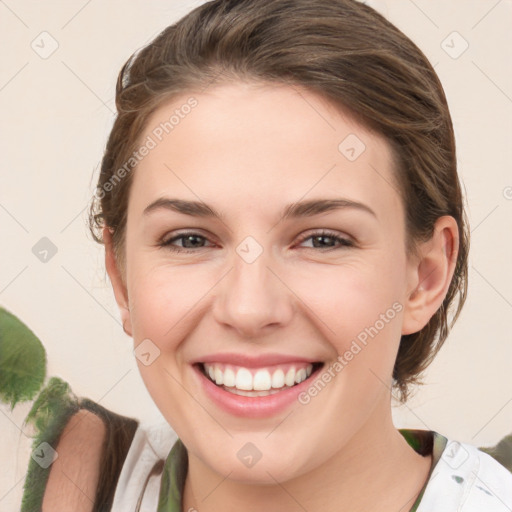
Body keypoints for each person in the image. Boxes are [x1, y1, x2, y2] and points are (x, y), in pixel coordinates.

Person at [22, 0, 512, 511]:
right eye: (190, 240)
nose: (249, 309)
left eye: (323, 239)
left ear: (425, 277)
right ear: (121, 280)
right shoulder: (47, 473)